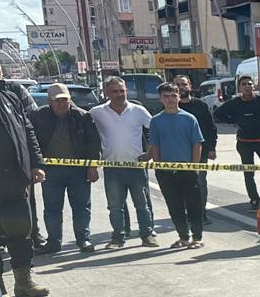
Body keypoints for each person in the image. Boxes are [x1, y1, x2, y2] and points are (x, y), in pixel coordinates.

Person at [0, 76, 48, 297]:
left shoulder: (9, 99)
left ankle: (23, 282)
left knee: (21, 232)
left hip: (14, 179)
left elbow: (27, 132)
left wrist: (37, 164)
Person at [30, 84, 100, 255]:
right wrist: (35, 166)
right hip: (51, 171)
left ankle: (83, 239)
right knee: (52, 208)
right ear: (49, 101)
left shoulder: (83, 116)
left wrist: (93, 166)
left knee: (82, 207)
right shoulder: (38, 116)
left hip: (78, 171)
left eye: (65, 100)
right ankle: (53, 242)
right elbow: (31, 142)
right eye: (58, 101)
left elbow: (93, 143)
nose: (62, 104)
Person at [92, 75, 157, 248]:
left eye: (122, 91)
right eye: (115, 91)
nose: (120, 94)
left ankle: (147, 235)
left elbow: (156, 130)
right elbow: (87, 134)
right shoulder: (97, 113)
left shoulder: (138, 110)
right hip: (112, 168)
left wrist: (150, 153)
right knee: (115, 206)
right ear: (106, 92)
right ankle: (118, 238)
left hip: (136, 166)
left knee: (142, 204)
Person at [150, 83, 205, 248]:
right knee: (174, 206)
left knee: (194, 205)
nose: (170, 99)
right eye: (166, 96)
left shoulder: (189, 119)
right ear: (160, 99)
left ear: (179, 97)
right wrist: (158, 168)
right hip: (166, 172)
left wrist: (195, 167)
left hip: (187, 170)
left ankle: (197, 237)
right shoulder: (156, 121)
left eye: (174, 96)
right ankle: (183, 237)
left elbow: (197, 144)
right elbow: (155, 146)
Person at [215, 75, 260, 204]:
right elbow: (217, 114)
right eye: (244, 84)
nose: (247, 86)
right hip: (244, 143)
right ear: (239, 88)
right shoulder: (234, 103)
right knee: (249, 173)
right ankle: (254, 199)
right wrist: (233, 120)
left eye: (249, 84)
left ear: (253, 86)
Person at [174, 76, 218, 213]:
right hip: (178, 153)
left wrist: (212, 148)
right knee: (181, 185)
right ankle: (186, 213)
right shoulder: (171, 107)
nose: (181, 87)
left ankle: (201, 213)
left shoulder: (201, 105)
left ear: (190, 86)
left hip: (200, 152)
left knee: (200, 183)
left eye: (184, 84)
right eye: (178, 84)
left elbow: (211, 128)